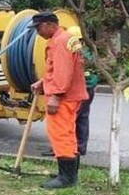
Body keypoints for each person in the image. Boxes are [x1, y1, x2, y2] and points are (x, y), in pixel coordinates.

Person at [30, 12, 88, 189]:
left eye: (38, 27)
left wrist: (55, 96)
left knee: (61, 134)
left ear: (49, 24)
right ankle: (68, 174)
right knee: (68, 133)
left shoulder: (60, 42)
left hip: (63, 98)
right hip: (70, 95)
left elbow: (64, 73)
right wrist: (43, 82)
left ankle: (66, 178)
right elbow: (62, 69)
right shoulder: (65, 38)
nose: (37, 32)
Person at [42, 25, 98, 158]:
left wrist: (56, 94)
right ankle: (80, 148)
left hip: (75, 90)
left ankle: (65, 151)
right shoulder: (86, 51)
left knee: (66, 123)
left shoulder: (70, 49)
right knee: (82, 119)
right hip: (88, 89)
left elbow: (65, 73)